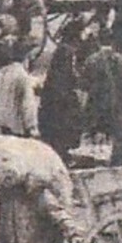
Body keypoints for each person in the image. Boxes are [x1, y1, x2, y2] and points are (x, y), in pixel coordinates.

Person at [37, 20, 86, 163]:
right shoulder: (67, 52)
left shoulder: (62, 50)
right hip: (60, 98)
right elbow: (65, 77)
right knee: (63, 128)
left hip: (54, 96)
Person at [83, 26, 122, 164]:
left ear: (98, 41)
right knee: (117, 146)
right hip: (118, 110)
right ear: (113, 41)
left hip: (97, 112)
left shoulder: (91, 61)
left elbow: (86, 88)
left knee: (97, 150)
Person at [0, 40, 39, 138]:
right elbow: (27, 103)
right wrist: (32, 126)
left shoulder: (1, 72)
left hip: (0, 122)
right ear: (25, 58)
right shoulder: (23, 76)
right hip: (17, 125)